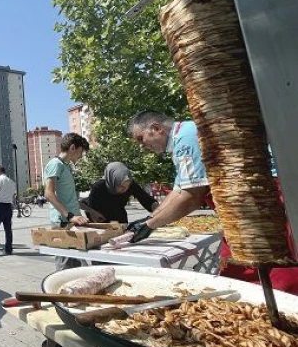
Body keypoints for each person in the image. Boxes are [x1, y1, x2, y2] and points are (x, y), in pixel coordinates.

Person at [127, 111, 298, 294]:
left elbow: (191, 196)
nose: (140, 146)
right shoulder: (183, 138)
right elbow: (178, 191)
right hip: (241, 212)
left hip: (261, 204)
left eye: (140, 138)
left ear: (156, 128)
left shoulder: (186, 139)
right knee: (237, 271)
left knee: (274, 276)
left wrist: (151, 225)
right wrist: (147, 219)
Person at [43, 133, 90, 270]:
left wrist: (91, 211)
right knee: (65, 265)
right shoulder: (55, 164)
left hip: (73, 220)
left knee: (77, 265)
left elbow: (70, 198)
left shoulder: (66, 166)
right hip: (63, 221)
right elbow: (48, 193)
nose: (81, 156)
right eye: (81, 152)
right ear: (73, 148)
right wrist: (69, 215)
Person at [80, 162, 159, 223]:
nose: (125, 189)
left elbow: (146, 199)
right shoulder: (99, 187)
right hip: (101, 223)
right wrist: (94, 214)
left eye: (127, 187)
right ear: (113, 181)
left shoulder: (130, 184)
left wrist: (158, 211)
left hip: (121, 221)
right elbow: (92, 209)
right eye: (121, 187)